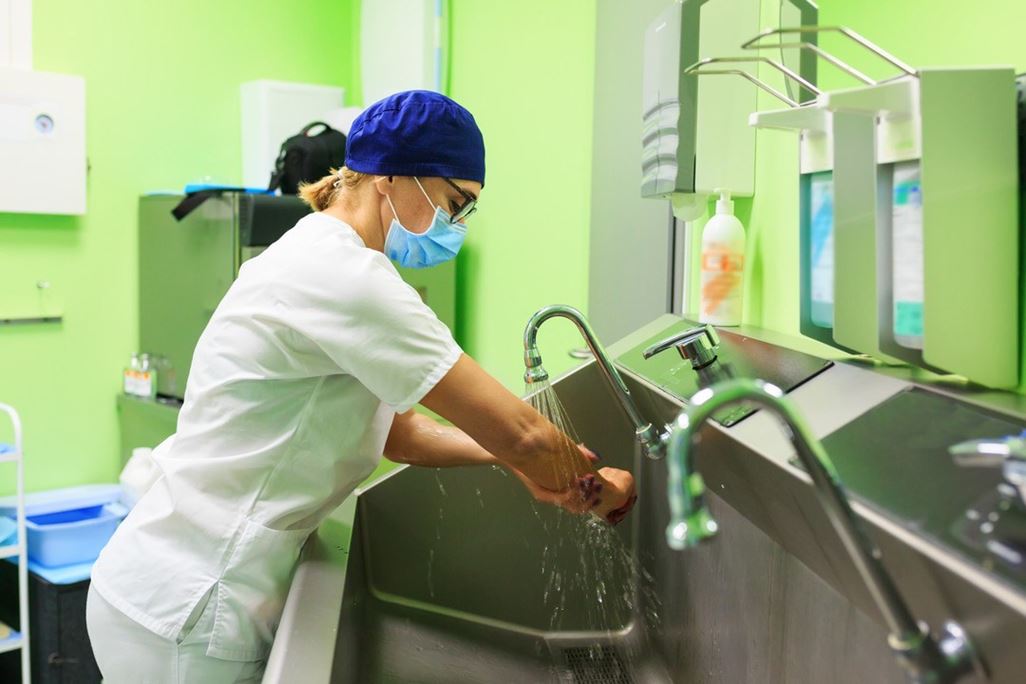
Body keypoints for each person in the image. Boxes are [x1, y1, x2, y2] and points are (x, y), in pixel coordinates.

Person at [86, 90, 637, 683]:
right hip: (191, 604)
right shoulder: (346, 277)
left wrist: (518, 462)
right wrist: (600, 487)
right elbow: (524, 433)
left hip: (176, 581)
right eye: (455, 203)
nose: (455, 226)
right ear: (392, 176)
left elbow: (401, 435)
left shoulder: (320, 253)